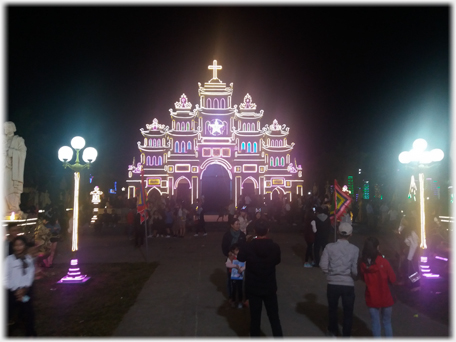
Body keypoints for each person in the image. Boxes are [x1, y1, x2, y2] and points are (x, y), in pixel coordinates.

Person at [237, 219, 283, 337]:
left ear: (254, 231)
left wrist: (245, 243)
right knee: (274, 318)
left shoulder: (249, 247)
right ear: (268, 230)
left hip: (253, 287)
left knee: (255, 319)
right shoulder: (274, 247)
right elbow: (277, 261)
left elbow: (241, 258)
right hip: (269, 286)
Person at [319, 221, 359, 337]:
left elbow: (323, 264)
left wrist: (330, 273)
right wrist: (354, 277)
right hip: (348, 284)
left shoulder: (329, 247)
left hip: (333, 283)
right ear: (350, 234)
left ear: (338, 232)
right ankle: (346, 335)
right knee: (348, 312)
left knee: (332, 309)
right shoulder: (354, 249)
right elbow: (355, 269)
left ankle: (332, 332)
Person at [360, 237, 396, 337]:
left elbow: (363, 278)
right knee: (387, 323)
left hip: (372, 298)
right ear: (377, 247)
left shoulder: (363, 264)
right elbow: (393, 279)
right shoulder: (384, 262)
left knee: (375, 324)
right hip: (386, 297)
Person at [5, 236, 37, 336]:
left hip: (24, 293)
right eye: (16, 245)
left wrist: (23, 289)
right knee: (8, 313)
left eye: (21, 245)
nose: (18, 247)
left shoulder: (28, 259)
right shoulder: (9, 260)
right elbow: (5, 277)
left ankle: (30, 333)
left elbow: (30, 275)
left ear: (25, 246)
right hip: (11, 293)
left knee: (28, 312)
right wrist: (15, 290)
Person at [4, 121, 27, 219]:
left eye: (6, 127)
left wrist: (11, 152)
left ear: (11, 128)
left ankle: (14, 208)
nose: (4, 129)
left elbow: (22, 153)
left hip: (12, 170)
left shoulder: (18, 140)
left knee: (11, 189)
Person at [222, 218, 247, 302]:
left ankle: (240, 297)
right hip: (231, 258)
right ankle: (231, 296)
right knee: (230, 278)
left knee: (240, 278)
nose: (238, 225)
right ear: (232, 225)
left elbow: (244, 246)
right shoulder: (227, 235)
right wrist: (228, 253)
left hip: (240, 258)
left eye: (239, 224)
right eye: (236, 224)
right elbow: (224, 247)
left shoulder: (242, 235)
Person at [225, 243, 245, 308]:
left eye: (238, 250)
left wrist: (241, 269)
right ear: (233, 250)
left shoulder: (242, 256)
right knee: (233, 289)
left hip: (240, 276)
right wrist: (235, 266)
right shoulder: (231, 257)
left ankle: (240, 301)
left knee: (240, 289)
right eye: (236, 250)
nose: (238, 251)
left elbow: (245, 264)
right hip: (233, 276)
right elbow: (227, 264)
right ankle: (233, 300)